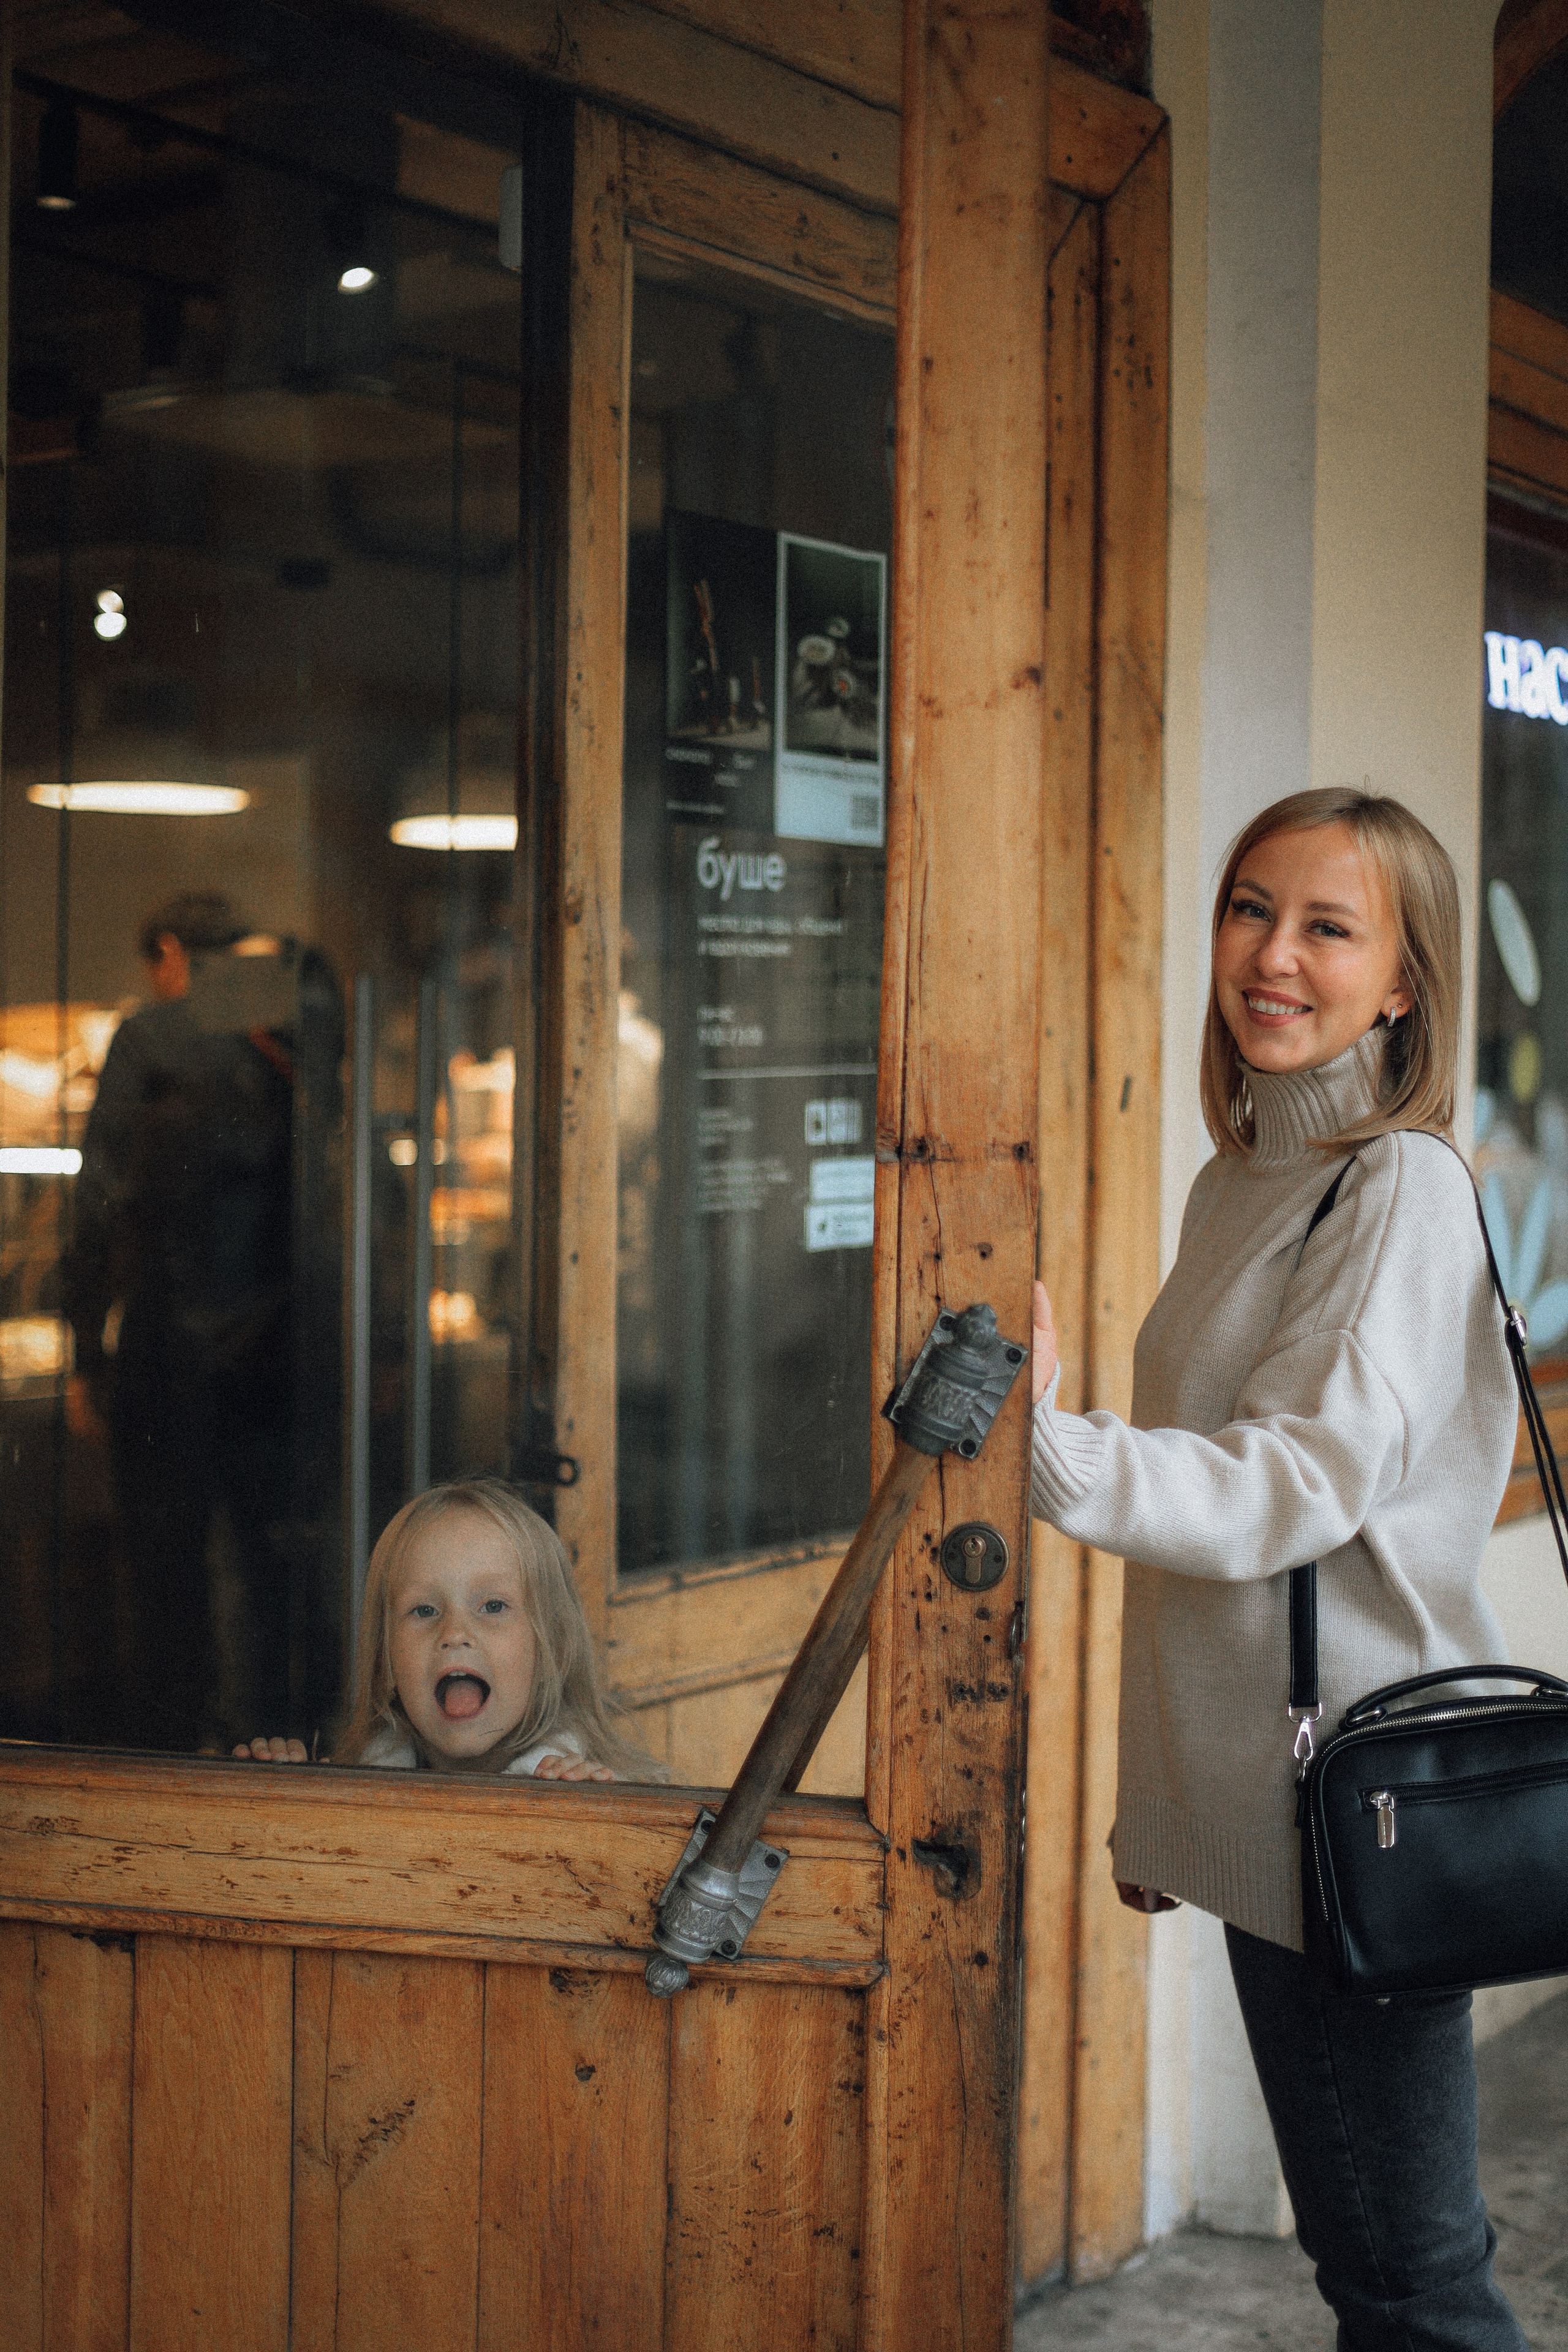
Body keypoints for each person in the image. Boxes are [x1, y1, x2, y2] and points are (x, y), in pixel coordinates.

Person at [1029, 788, 1526, 2349]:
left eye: (1327, 925)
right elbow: (1213, 1574)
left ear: (1401, 982)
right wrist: (1165, 1798)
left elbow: (1287, 1487)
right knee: (1377, 2263)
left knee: (1409, 2282)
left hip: (1356, 1808)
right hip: (1280, 1801)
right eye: (1251, 906)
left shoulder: (1396, 1186)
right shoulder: (1238, 1173)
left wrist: (1049, 1448)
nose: (1271, 954)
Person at [65, 892, 301, 1750]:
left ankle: (173, 1751)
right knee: (266, 1564)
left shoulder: (150, 1038)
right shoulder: (291, 1032)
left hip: (167, 1349)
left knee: (166, 1575)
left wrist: (85, 1355)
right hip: (278, 1350)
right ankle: (267, 1737)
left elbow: (96, 1205)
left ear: (169, 953)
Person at [235, 1477, 664, 1781]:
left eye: (493, 1606)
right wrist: (282, 1797)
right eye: (424, 1610)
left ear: (551, 1649)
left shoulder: (602, 1790)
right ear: (386, 1662)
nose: (454, 1632)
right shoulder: (354, 1790)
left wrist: (599, 1826)